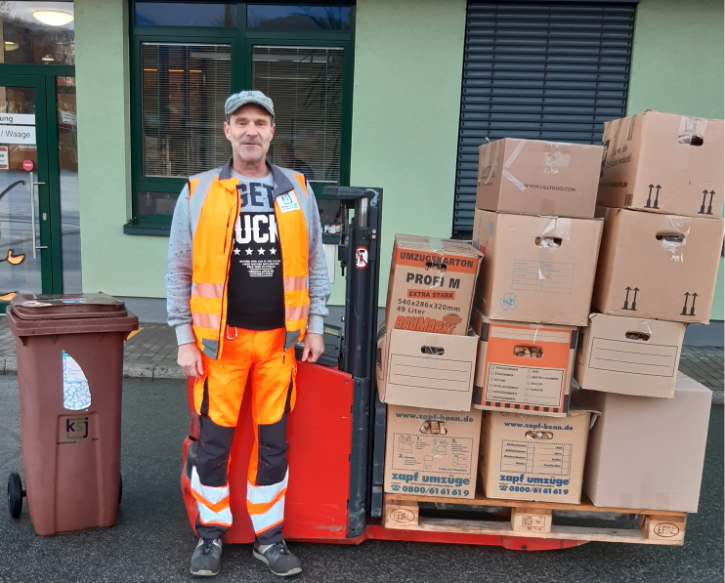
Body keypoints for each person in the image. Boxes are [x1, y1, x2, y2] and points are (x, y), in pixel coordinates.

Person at [166, 90, 330, 578]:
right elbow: (178, 268)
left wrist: (316, 325)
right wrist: (182, 338)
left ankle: (268, 537)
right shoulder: (198, 191)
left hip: (280, 345)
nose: (251, 130)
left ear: (272, 131)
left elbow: (316, 262)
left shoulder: (298, 188)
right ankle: (211, 536)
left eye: (260, 122)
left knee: (273, 445)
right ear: (228, 130)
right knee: (214, 445)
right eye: (242, 122)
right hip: (221, 346)